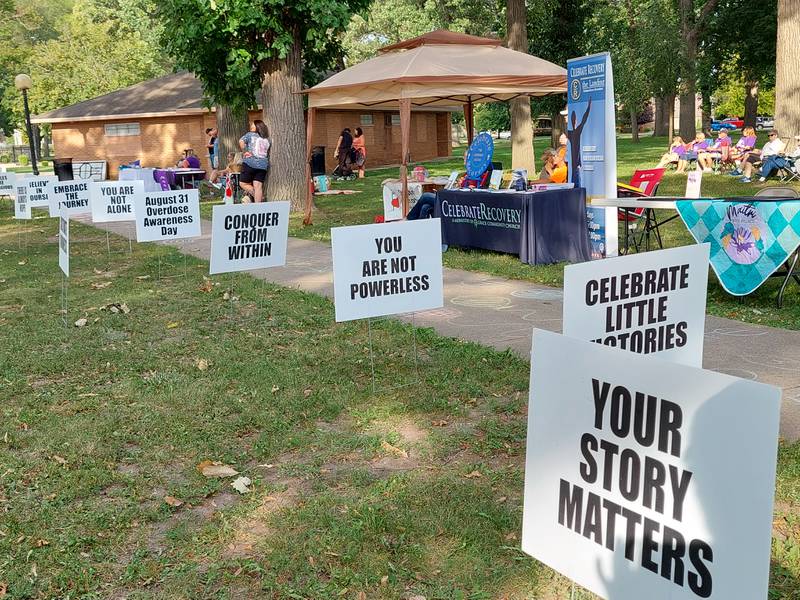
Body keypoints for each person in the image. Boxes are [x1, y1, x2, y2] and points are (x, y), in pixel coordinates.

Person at [239, 120, 270, 202]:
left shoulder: (249, 135)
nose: (251, 126)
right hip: (263, 165)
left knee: (243, 183)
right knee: (258, 186)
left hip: (250, 163)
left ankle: (259, 196)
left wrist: (245, 151)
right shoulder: (266, 139)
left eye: (253, 124)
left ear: (257, 126)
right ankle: (258, 206)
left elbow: (241, 141)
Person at [566, 97, 592, 188]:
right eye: (574, 119)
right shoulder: (575, 132)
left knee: (574, 184)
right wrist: (588, 107)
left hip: (574, 164)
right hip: (576, 164)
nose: (574, 121)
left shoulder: (570, 133)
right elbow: (584, 119)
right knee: (577, 186)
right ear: (575, 121)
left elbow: (584, 119)